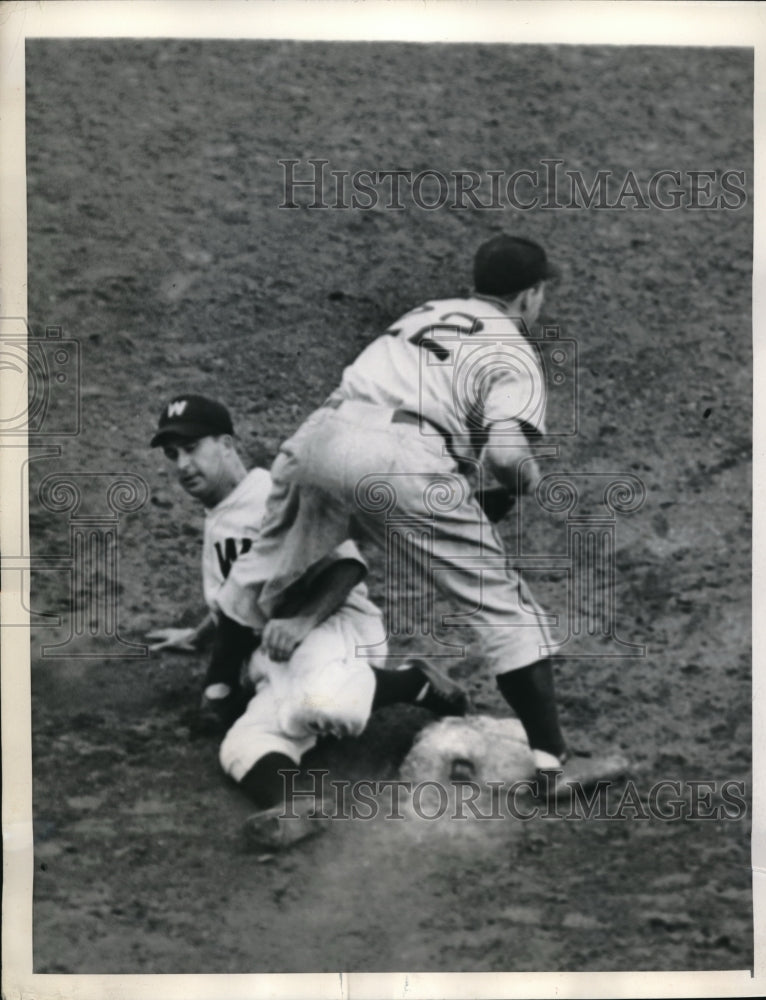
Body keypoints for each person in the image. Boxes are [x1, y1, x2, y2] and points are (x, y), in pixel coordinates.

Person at [219, 235, 628, 796]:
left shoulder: (426, 312)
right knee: (505, 609)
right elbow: (506, 455)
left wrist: (466, 496)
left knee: (265, 563)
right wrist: (527, 482)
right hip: (403, 458)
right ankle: (555, 764)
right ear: (531, 295)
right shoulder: (513, 349)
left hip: (321, 437)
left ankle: (218, 692)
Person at [147, 393, 469, 847]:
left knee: (325, 707)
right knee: (243, 743)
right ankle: (294, 806)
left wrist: (300, 622)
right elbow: (238, 598)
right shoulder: (220, 514)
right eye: (172, 454)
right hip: (279, 651)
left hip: (334, 629)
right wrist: (200, 634)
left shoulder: (273, 495)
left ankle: (412, 682)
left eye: (192, 448)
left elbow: (347, 566)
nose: (182, 465)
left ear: (226, 444)